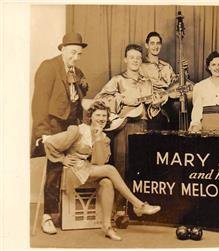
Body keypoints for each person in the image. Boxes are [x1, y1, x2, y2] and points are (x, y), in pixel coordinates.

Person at [42, 100, 161, 241]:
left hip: (87, 169)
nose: (101, 119)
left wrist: (98, 138)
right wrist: (62, 159)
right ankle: (138, 205)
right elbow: (50, 142)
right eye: (98, 115)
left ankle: (106, 227)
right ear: (90, 116)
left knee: (107, 182)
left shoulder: (104, 138)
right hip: (73, 170)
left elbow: (98, 163)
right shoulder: (77, 130)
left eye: (104, 116)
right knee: (110, 169)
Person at [31, 32, 89, 234]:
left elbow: (78, 98)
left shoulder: (78, 71)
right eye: (72, 52)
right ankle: (47, 215)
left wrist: (82, 85)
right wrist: (42, 133)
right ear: (62, 49)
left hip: (72, 126)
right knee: (55, 169)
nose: (76, 57)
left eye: (79, 54)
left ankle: (67, 213)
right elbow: (39, 102)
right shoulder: (49, 67)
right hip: (53, 126)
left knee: (75, 164)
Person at [94, 44, 159, 211]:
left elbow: (150, 112)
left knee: (140, 165)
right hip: (122, 126)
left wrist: (156, 105)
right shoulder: (117, 80)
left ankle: (137, 207)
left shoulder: (147, 83)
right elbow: (100, 99)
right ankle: (119, 209)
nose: (135, 61)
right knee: (122, 165)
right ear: (125, 60)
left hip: (142, 125)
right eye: (132, 57)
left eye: (138, 58)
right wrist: (120, 99)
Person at [140, 31, 189, 131]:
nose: (155, 46)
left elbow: (176, 82)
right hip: (153, 101)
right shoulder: (141, 66)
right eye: (152, 43)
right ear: (147, 45)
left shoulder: (166, 66)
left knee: (182, 104)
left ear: (161, 45)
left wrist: (184, 71)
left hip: (170, 100)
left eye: (158, 43)